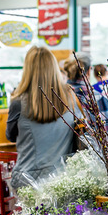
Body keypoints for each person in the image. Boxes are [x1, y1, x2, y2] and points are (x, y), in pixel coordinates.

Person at [6, 46, 78, 191]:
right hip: (64, 179)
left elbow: (10, 136)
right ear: (54, 68)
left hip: (28, 181)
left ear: (27, 70)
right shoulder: (70, 96)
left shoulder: (18, 102)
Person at [64, 52, 108, 136]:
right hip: (86, 147)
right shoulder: (96, 97)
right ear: (89, 71)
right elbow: (107, 132)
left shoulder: (56, 94)